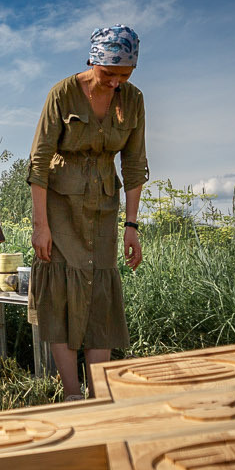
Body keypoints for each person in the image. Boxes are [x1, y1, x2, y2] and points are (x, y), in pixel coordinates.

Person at [28, 25, 148, 402]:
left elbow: (134, 165)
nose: (115, 83)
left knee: (100, 297)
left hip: (104, 209)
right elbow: (38, 162)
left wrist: (131, 226)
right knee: (60, 294)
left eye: (124, 75)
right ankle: (71, 394)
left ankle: (98, 396)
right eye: (108, 73)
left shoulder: (133, 99)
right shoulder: (62, 94)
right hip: (59, 208)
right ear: (92, 61)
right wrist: (41, 226)